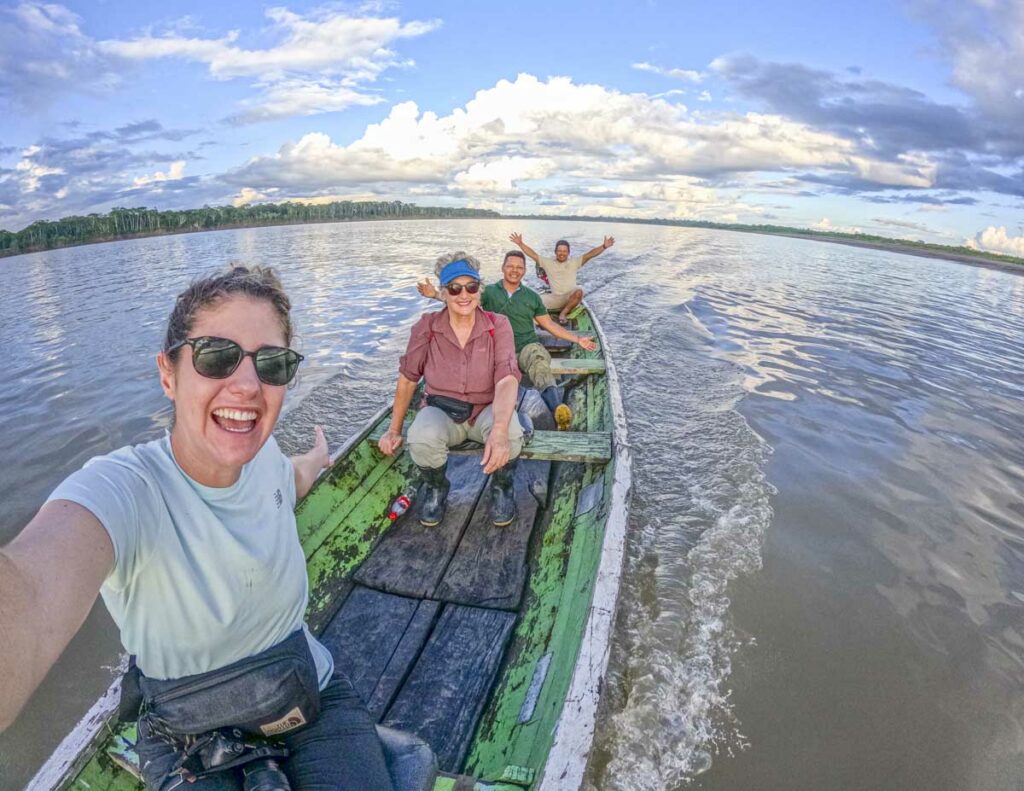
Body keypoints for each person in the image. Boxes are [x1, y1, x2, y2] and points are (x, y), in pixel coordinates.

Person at [0, 265, 394, 790]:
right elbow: (31, 587)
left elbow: (289, 479)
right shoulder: (122, 489)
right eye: (217, 356)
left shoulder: (267, 459)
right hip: (186, 731)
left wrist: (318, 458)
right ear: (169, 373)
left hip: (304, 692)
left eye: (272, 364)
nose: (249, 384)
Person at [380, 253, 524, 529]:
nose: (463, 295)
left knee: (513, 434)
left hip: (486, 409)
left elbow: (507, 380)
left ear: (479, 290)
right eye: (454, 288)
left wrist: (500, 430)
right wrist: (394, 429)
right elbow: (408, 379)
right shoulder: (427, 327)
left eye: (471, 287)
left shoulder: (499, 325)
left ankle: (501, 487)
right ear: (443, 293)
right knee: (420, 437)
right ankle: (436, 488)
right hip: (442, 410)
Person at [417, 251, 598, 430]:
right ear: (503, 268)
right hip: (495, 351)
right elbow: (463, 301)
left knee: (538, 358)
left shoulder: (531, 296)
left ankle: (556, 407)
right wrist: (435, 294)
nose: (514, 270)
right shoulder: (489, 292)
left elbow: (549, 324)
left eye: (519, 267)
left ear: (524, 271)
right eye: (510, 266)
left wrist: (577, 338)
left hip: (525, 347)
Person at [508, 232, 615, 323]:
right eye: (559, 251)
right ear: (555, 252)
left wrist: (604, 246)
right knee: (530, 301)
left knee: (579, 291)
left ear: (568, 253)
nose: (562, 253)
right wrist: (521, 244)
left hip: (571, 298)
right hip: (554, 298)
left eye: (564, 251)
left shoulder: (574, 262)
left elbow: (590, 255)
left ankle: (563, 313)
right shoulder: (548, 262)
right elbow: (533, 255)